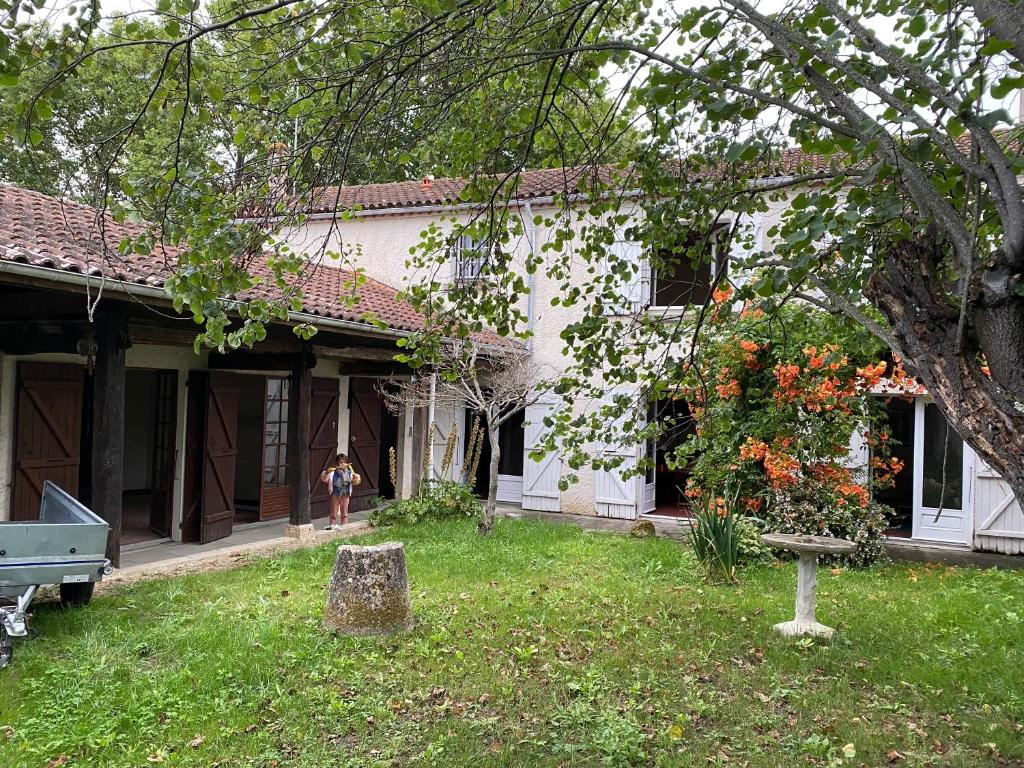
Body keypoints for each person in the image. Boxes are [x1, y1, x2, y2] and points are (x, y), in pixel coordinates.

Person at [320, 453, 354, 530]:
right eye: (341, 462)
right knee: (333, 512)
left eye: (344, 462)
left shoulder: (349, 472)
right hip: (335, 494)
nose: (343, 464)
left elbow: (354, 481)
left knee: (344, 512)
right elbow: (324, 478)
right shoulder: (332, 472)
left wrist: (355, 477)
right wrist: (327, 472)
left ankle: (344, 527)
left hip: (345, 494)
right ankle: (332, 526)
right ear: (337, 463)